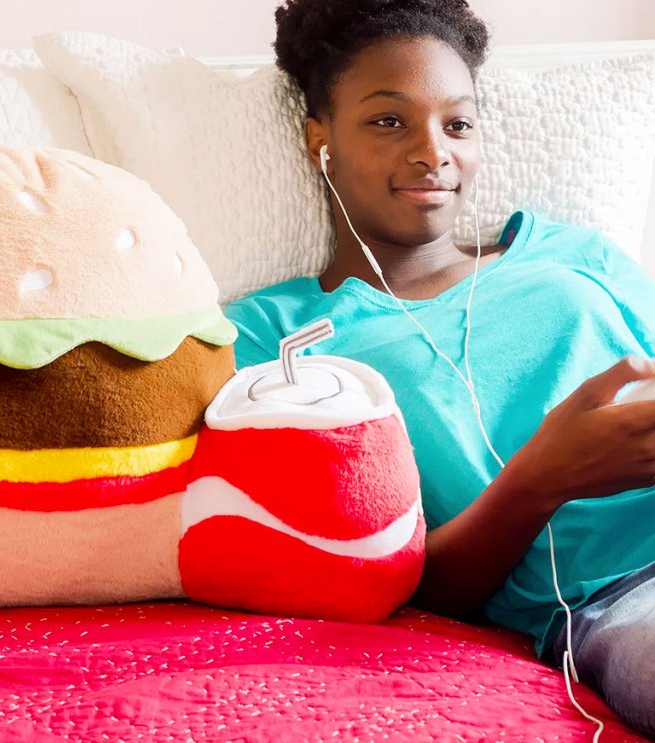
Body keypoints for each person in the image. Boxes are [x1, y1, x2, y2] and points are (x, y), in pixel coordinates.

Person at [225, 0, 655, 736]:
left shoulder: (573, 255)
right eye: (389, 121)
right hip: (613, 601)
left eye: (457, 124)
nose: (434, 151)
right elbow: (382, 581)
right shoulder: (272, 338)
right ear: (318, 139)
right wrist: (543, 476)